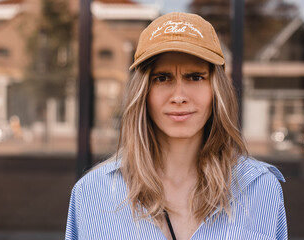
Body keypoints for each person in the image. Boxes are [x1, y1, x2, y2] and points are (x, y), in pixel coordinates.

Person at [65, 12, 287, 240]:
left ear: (216, 90)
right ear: (143, 92)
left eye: (195, 77)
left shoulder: (260, 189)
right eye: (162, 78)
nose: (179, 96)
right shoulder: (92, 193)